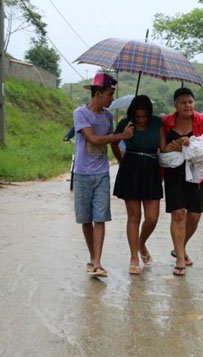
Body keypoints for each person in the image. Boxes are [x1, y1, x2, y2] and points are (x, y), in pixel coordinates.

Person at [73, 73, 133, 278]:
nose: (111, 98)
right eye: (109, 94)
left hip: (101, 173)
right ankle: (93, 258)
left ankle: (97, 262)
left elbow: (111, 143)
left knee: (100, 218)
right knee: (86, 219)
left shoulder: (108, 116)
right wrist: (120, 135)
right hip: (82, 173)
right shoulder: (80, 114)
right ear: (98, 94)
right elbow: (94, 139)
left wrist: (124, 161)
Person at [161, 88, 203, 276]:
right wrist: (171, 146)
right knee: (178, 213)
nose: (187, 105)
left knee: (194, 216)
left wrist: (191, 144)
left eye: (190, 102)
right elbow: (161, 148)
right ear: (175, 105)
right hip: (173, 173)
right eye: (182, 102)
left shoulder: (202, 120)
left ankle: (180, 247)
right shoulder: (167, 122)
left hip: (197, 173)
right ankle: (180, 258)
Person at [110, 95, 163, 275]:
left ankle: (141, 243)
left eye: (144, 116)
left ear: (149, 113)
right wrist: (121, 159)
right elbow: (114, 141)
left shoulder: (157, 123)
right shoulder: (126, 123)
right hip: (130, 170)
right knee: (134, 217)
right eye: (138, 116)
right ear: (133, 114)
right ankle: (134, 257)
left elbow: (162, 146)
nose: (141, 119)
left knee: (152, 217)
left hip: (151, 170)